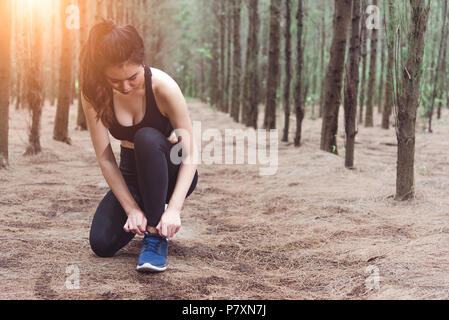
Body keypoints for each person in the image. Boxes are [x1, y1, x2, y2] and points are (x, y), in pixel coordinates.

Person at [79, 19, 198, 272]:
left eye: (132, 78)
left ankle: (155, 236)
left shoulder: (164, 87)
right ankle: (149, 208)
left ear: (142, 63)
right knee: (101, 243)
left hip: (170, 168)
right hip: (132, 171)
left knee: (146, 137)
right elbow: (106, 158)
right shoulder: (93, 92)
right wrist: (131, 209)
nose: (124, 86)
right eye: (115, 80)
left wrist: (174, 209)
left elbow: (190, 154)